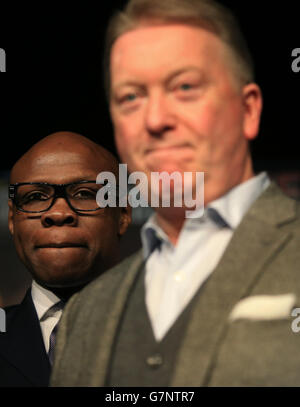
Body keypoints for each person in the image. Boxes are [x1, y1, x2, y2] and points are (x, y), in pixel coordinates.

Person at [51, 0, 300, 387]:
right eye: (131, 97)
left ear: (248, 110)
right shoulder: (81, 317)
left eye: (184, 87)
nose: (154, 120)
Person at [0, 131, 131, 386]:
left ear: (123, 213)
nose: (59, 213)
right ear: (12, 220)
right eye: (35, 197)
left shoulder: (182, 333)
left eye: (84, 193)